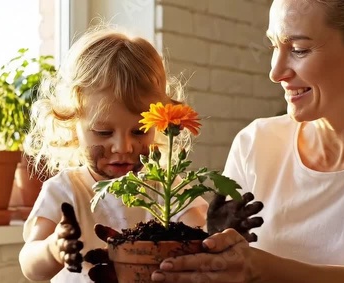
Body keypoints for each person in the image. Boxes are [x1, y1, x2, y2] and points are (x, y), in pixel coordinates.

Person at [148, 0, 344, 282]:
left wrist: (259, 269)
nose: (275, 72)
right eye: (274, 46)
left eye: (299, 50)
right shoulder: (255, 143)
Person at [17, 25, 214, 283]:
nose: (123, 147)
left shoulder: (168, 191)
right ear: (72, 124)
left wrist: (220, 230)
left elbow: (202, 244)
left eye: (140, 131)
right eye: (102, 132)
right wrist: (55, 247)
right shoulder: (65, 191)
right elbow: (30, 267)